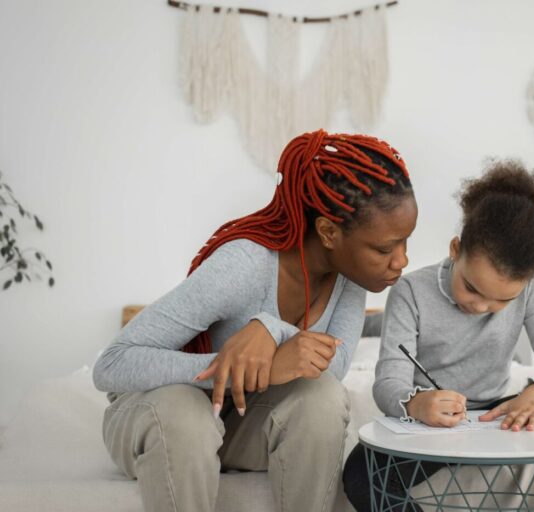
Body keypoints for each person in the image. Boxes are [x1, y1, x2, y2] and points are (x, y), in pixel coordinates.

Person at [93, 129, 418, 512]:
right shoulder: (245, 265)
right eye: (384, 248)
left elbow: (334, 369)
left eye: (405, 242)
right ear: (329, 232)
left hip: (237, 422)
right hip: (160, 417)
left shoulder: (350, 275)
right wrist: (241, 369)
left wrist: (271, 329)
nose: (401, 261)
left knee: (322, 397)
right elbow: (112, 365)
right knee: (186, 416)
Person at [343, 160, 534, 512]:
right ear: (455, 250)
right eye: (472, 288)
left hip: (496, 415)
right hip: (433, 424)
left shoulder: (532, 289)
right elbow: (388, 379)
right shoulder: (410, 291)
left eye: (503, 300)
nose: (482, 307)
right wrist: (417, 404)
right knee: (360, 475)